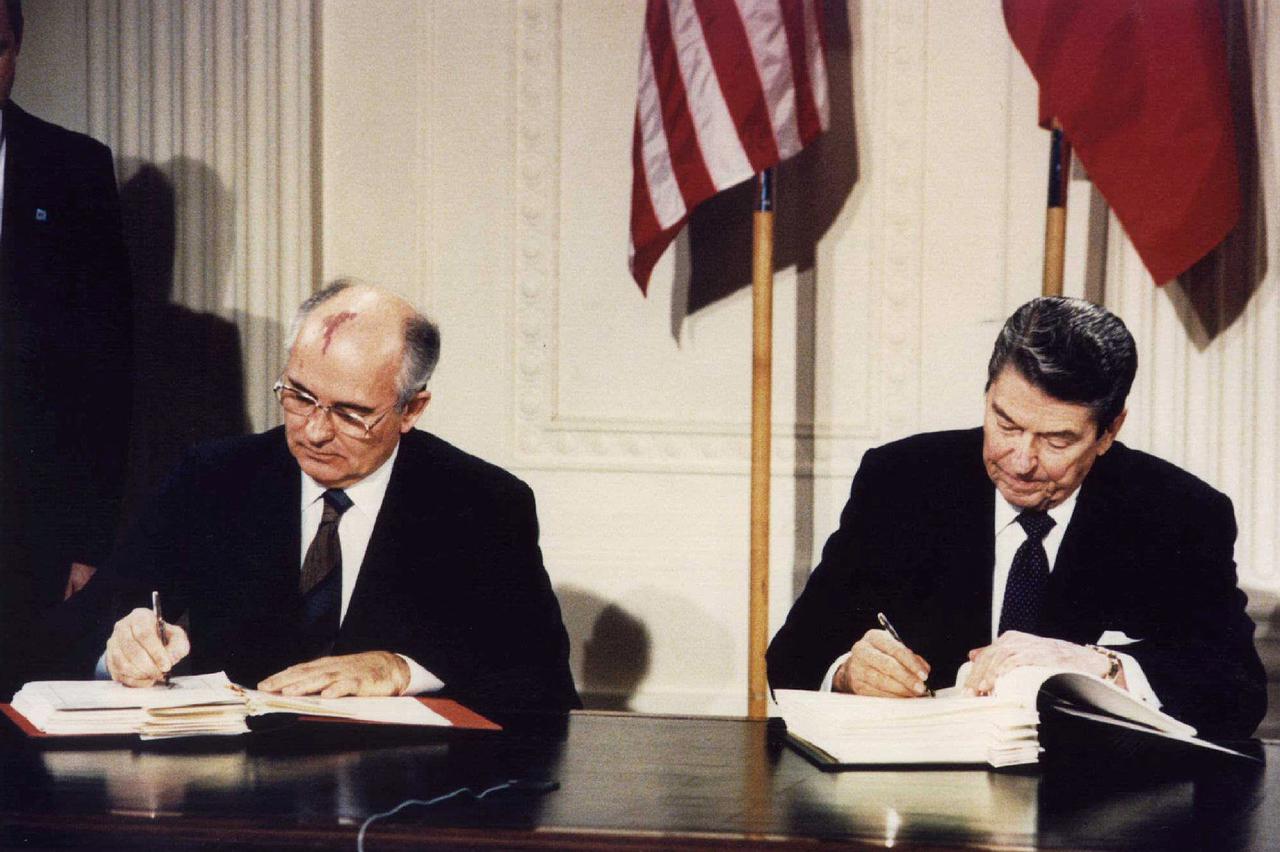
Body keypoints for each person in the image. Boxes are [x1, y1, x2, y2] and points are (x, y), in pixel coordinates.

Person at [766, 296, 1266, 738]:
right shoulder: (902, 480)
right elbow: (792, 656)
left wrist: (1101, 665)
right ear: (987, 395)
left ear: (1109, 432)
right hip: (927, 807)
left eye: (1057, 440)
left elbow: (1237, 693)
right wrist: (849, 673)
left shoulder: (1178, 512)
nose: (1020, 460)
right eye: (1005, 423)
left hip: (1094, 811)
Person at [74, 279, 579, 714]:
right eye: (298, 396)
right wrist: (117, 648)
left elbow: (543, 690)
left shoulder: (483, 505)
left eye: (349, 413)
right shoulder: (212, 478)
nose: (313, 432)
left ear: (411, 410)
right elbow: (77, 626)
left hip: (399, 798)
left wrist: (402, 670)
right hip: (237, 793)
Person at [0, 0, 132, 694]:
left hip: (32, 535)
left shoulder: (73, 168)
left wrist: (91, 546)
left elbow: (106, 374)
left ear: (17, 48)